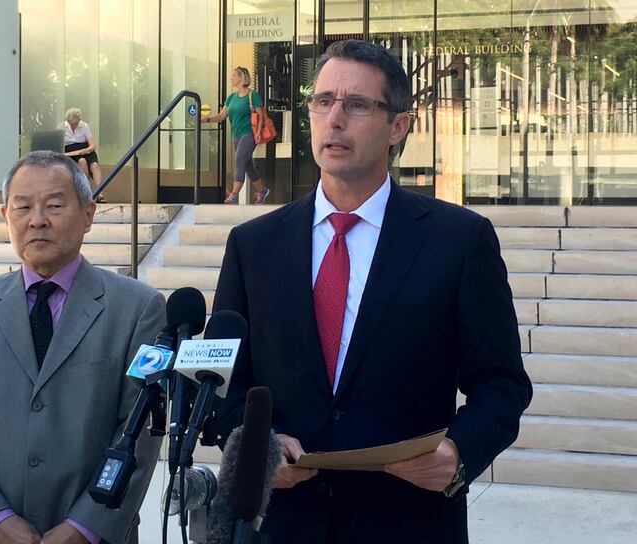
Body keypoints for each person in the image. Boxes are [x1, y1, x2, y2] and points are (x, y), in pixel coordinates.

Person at [213, 40, 532, 543]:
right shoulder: (253, 244)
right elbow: (223, 386)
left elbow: (502, 383)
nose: (334, 118)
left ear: (398, 126)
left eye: (357, 104)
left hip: (408, 521)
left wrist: (458, 452)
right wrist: (258, 450)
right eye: (323, 101)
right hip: (283, 525)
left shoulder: (459, 240)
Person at [0, 151, 164, 544]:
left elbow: (138, 430)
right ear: (6, 216)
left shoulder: (137, 309)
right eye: (22, 207)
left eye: (54, 204)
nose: (37, 219)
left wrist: (84, 527)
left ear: (88, 214)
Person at [202, 66, 271, 205]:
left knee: (239, 159)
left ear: (241, 77)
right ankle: (262, 190)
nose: (231, 78)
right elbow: (222, 116)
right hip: (236, 135)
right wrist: (206, 120)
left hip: (249, 134)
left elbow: (260, 115)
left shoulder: (253, 95)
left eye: (234, 75)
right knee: (247, 164)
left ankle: (233, 195)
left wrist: (257, 132)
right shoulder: (231, 97)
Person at [64, 107, 105, 201]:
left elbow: (92, 145)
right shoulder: (62, 127)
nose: (74, 125)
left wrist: (85, 150)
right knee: (82, 162)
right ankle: (87, 192)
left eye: (76, 123)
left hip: (85, 149)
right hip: (71, 151)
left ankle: (100, 194)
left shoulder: (84, 126)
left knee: (94, 165)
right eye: (72, 124)